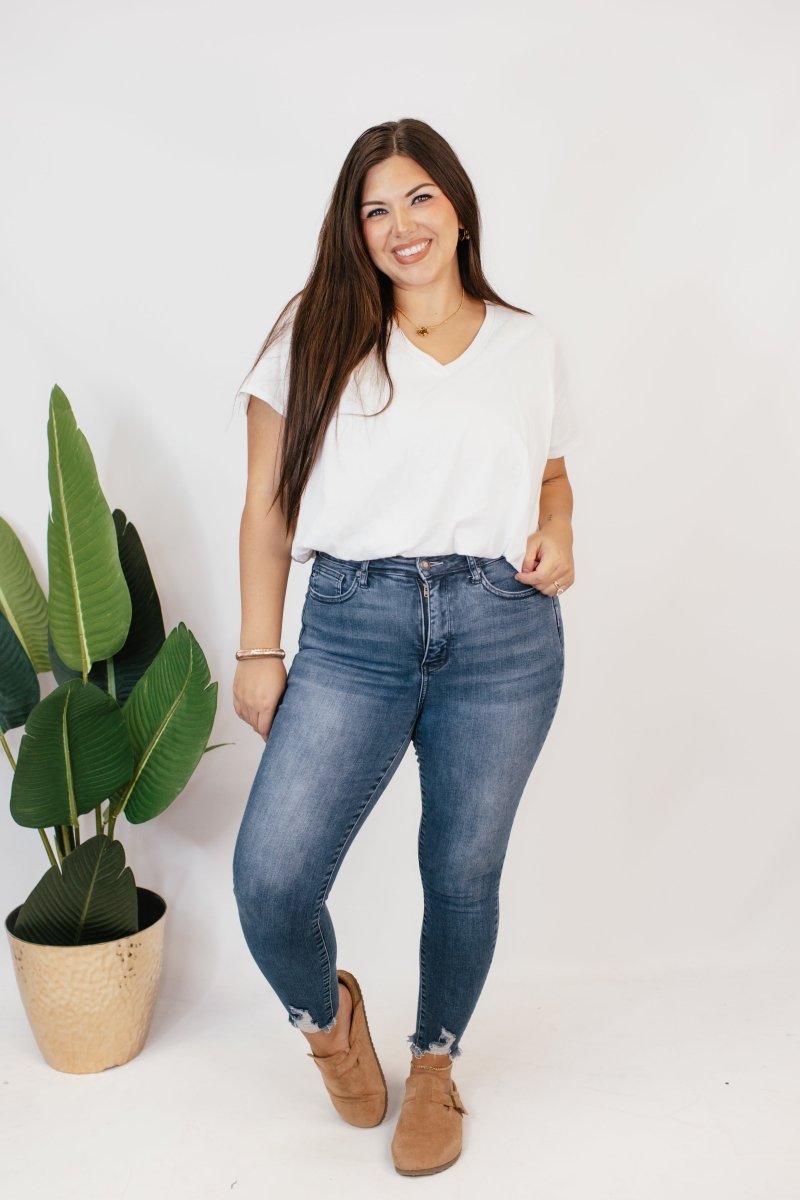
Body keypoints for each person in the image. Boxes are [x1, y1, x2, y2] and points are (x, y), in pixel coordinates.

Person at [231, 117, 578, 1177]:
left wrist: (559, 531)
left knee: (461, 872)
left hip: (503, 632)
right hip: (352, 624)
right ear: (354, 229)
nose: (399, 225)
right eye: (374, 209)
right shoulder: (315, 329)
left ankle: (434, 1064)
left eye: (417, 198)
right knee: (272, 880)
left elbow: (548, 472)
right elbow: (263, 505)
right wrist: (258, 649)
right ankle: (329, 1026)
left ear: (457, 205)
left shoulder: (527, 342)